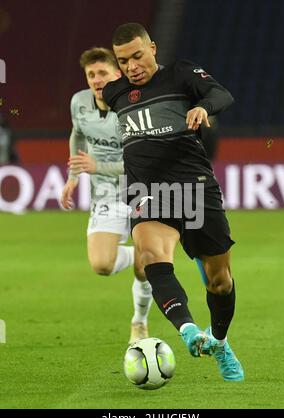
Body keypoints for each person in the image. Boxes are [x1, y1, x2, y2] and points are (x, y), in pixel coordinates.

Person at [103, 23, 244, 381]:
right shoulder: (114, 92)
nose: (132, 66)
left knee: (220, 281)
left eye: (137, 55)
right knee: (151, 256)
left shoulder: (181, 73)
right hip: (147, 190)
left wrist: (203, 108)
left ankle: (220, 340)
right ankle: (188, 331)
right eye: (123, 61)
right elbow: (88, 100)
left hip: (194, 187)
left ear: (152, 47)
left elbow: (222, 95)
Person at [60, 47, 153, 344]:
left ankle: (139, 321)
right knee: (101, 265)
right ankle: (138, 254)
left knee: (145, 269)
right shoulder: (79, 102)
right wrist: (73, 177)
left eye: (102, 73)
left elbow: (143, 161)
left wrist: (96, 165)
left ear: (117, 74)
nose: (96, 79)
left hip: (142, 191)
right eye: (91, 74)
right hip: (106, 195)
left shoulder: (134, 105)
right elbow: (77, 134)